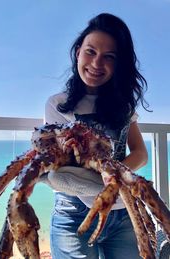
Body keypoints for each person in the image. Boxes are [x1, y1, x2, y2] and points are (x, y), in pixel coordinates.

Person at [44, 13, 149, 259]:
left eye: (108, 57)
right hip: (74, 213)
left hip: (123, 212)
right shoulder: (57, 105)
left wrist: (113, 171)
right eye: (90, 52)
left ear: (118, 64)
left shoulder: (124, 106)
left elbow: (140, 153)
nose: (96, 63)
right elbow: (62, 170)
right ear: (78, 51)